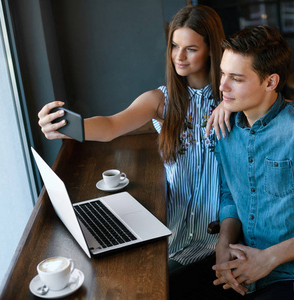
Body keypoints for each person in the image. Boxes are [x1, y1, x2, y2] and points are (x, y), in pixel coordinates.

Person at [171, 25, 294, 300]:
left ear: (271, 82)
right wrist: (223, 245)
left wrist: (268, 259)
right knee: (167, 289)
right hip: (240, 262)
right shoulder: (225, 129)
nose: (222, 86)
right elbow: (230, 194)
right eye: (223, 73)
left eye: (236, 78)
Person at [37, 5, 227, 273]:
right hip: (168, 229)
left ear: (211, 50)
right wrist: (64, 125)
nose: (179, 56)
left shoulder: (232, 101)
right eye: (174, 46)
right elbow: (111, 125)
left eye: (191, 49)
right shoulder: (161, 101)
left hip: (216, 238)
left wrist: (230, 101)